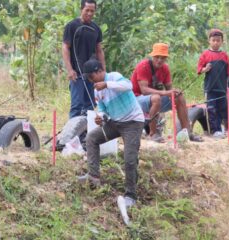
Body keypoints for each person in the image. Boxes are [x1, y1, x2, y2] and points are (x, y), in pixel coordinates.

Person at [77, 59, 144, 225]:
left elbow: (129, 86)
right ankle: (93, 175)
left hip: (133, 123)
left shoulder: (114, 77)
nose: (92, 81)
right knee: (92, 138)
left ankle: (131, 195)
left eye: (93, 77)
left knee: (129, 158)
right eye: (90, 79)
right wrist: (102, 118)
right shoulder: (97, 91)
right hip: (115, 123)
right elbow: (103, 110)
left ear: (100, 71)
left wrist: (107, 84)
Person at [131, 43, 202, 142]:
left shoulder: (165, 68)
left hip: (155, 99)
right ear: (152, 56)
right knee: (156, 97)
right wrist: (165, 93)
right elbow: (144, 90)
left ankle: (188, 132)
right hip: (137, 101)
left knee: (179, 96)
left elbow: (169, 89)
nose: (159, 60)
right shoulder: (143, 66)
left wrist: (175, 92)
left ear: (166, 58)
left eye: (162, 58)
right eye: (157, 57)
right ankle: (153, 133)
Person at [62, 0, 105, 118]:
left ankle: (86, 134)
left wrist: (103, 71)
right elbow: (65, 47)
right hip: (77, 73)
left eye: (92, 11)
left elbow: (99, 50)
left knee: (90, 106)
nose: (90, 13)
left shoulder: (96, 28)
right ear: (81, 9)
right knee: (76, 106)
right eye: (87, 10)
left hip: (92, 74)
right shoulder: (72, 26)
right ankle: (73, 135)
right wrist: (70, 70)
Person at [197, 29, 229, 138]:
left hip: (222, 88)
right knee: (211, 110)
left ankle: (224, 129)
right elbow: (199, 70)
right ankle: (214, 131)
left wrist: (228, 86)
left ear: (222, 41)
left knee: (223, 109)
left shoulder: (225, 56)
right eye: (213, 40)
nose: (216, 43)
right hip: (210, 88)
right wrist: (205, 69)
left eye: (218, 40)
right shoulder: (205, 54)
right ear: (209, 41)